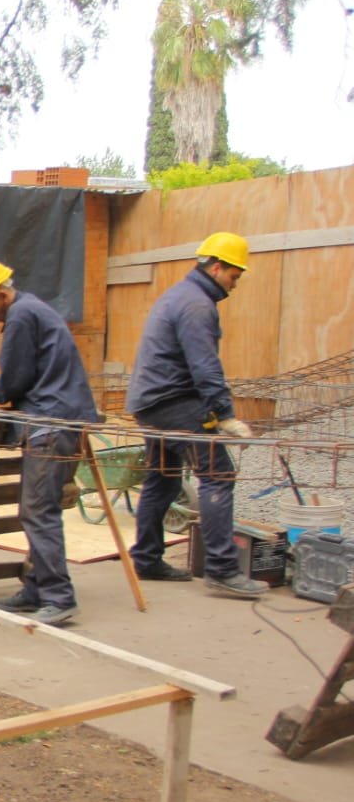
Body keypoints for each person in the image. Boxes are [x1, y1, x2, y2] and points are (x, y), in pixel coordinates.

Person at [0, 260, 99, 625]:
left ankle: (58, 595)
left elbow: (15, 380)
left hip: (48, 426)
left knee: (38, 511)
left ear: (2, 295)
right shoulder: (34, 309)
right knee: (39, 507)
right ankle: (36, 587)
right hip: (60, 421)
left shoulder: (20, 316)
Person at [124, 232, 265, 598]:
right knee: (219, 474)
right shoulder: (197, 305)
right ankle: (221, 569)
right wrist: (224, 414)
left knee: (163, 478)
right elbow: (205, 366)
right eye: (234, 276)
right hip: (173, 403)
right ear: (217, 267)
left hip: (150, 403)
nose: (235, 285)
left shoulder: (179, 294)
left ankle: (147, 558)